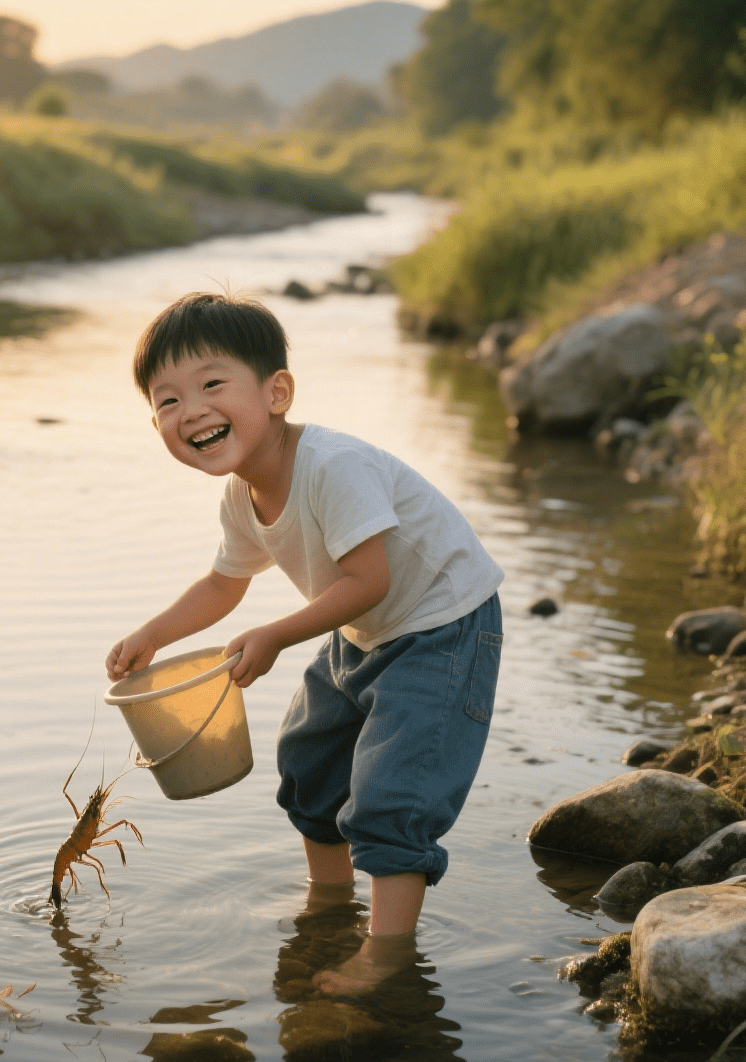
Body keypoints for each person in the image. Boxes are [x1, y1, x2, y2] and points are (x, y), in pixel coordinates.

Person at [106, 292, 504, 992]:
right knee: (309, 759)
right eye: (167, 401)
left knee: (393, 791)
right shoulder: (241, 495)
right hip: (365, 626)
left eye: (211, 384)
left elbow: (369, 580)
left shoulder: (332, 466)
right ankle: (330, 904)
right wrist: (153, 634)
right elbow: (224, 584)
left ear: (277, 393)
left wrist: (278, 635)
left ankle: (387, 955)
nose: (190, 410)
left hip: (442, 626)